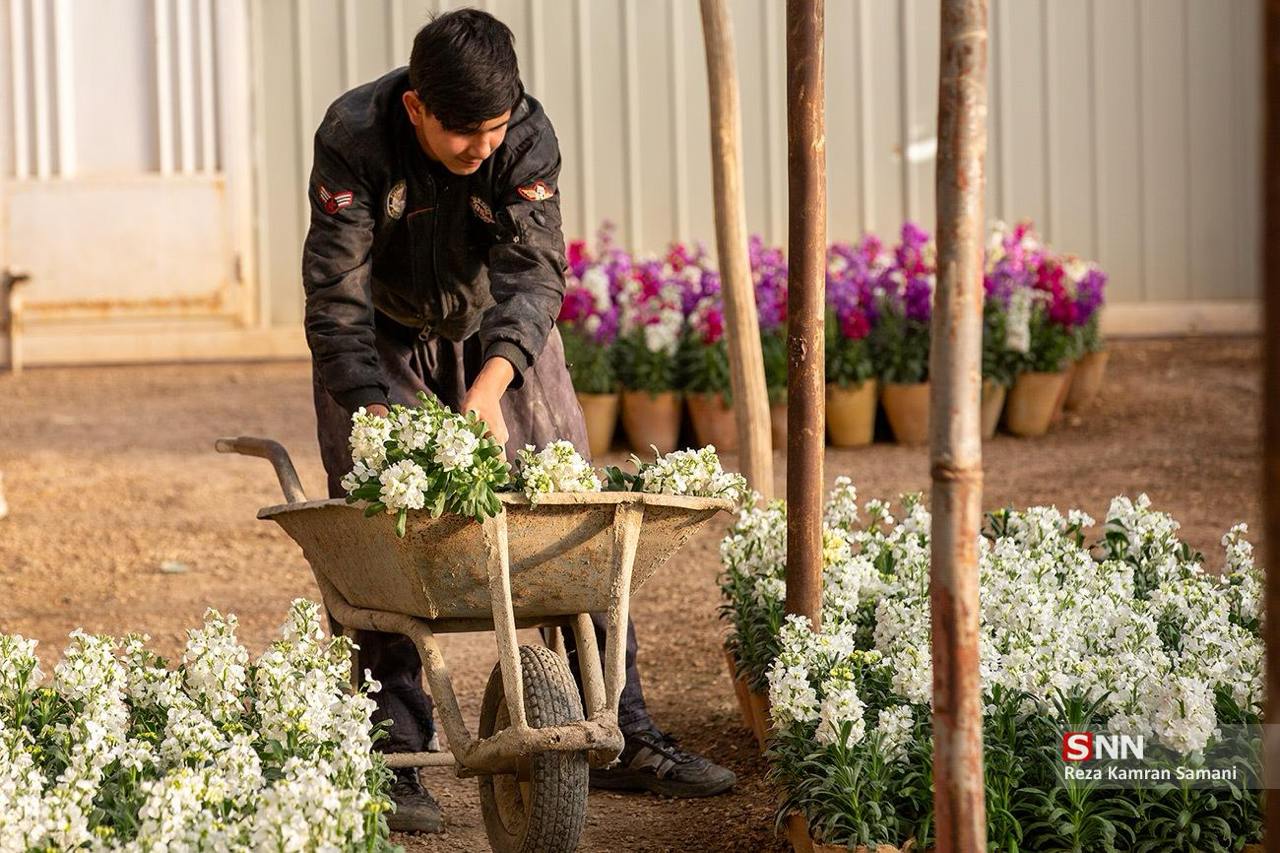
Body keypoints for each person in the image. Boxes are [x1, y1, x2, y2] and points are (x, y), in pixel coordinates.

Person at [301, 9, 736, 834]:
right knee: (379, 520)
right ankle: (395, 750)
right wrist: (377, 424)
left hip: (493, 334)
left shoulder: (524, 135)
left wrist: (493, 384)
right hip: (383, 337)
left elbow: (534, 275)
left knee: (573, 505)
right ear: (416, 108)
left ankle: (623, 730)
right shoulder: (353, 135)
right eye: (464, 134)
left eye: (494, 130)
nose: (482, 150)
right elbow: (336, 302)